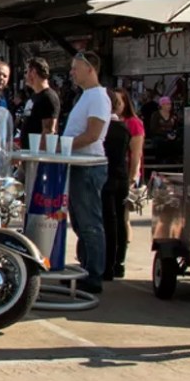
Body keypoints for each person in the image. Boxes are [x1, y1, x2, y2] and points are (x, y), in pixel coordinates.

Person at [62, 51, 111, 294]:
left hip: (89, 166)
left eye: (76, 68)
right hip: (79, 165)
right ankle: (86, 267)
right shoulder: (86, 96)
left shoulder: (98, 98)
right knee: (81, 222)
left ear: (90, 68)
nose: (72, 72)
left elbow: (93, 134)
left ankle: (94, 274)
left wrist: (64, 146)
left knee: (90, 222)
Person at [101, 90, 134, 280]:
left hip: (106, 177)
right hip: (121, 176)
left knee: (108, 222)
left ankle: (107, 265)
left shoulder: (103, 128)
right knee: (120, 221)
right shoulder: (124, 129)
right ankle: (118, 263)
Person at [19, 57, 60, 150]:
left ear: (33, 72)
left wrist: (36, 157)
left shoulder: (48, 97)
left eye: (26, 72)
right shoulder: (34, 96)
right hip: (26, 153)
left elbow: (49, 131)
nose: (25, 76)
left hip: (37, 157)